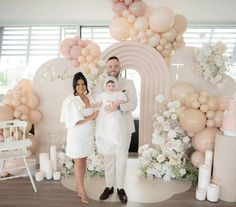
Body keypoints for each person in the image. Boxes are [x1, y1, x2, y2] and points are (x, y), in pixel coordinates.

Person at [93, 56, 137, 203]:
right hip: (107, 129)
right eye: (110, 66)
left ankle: (121, 188)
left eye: (115, 66)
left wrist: (118, 106)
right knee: (108, 158)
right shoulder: (101, 84)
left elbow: (133, 104)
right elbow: (98, 103)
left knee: (121, 158)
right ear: (107, 68)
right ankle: (109, 186)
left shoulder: (128, 83)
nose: (113, 69)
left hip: (124, 128)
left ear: (120, 67)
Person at [60, 72, 98, 205]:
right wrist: (92, 116)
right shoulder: (70, 100)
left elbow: (92, 113)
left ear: (86, 85)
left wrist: (95, 114)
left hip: (87, 135)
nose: (81, 87)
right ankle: (82, 190)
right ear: (74, 86)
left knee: (84, 160)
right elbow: (75, 122)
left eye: (83, 84)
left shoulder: (88, 98)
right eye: (78, 84)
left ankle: (78, 184)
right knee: (79, 162)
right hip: (76, 136)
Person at [95, 76, 127, 155]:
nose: (111, 88)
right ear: (105, 87)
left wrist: (115, 103)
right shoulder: (103, 95)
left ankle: (115, 139)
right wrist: (94, 104)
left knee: (114, 125)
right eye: (109, 86)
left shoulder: (117, 94)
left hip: (114, 113)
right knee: (105, 127)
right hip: (105, 115)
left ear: (116, 87)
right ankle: (107, 141)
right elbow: (99, 103)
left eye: (113, 86)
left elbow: (122, 101)